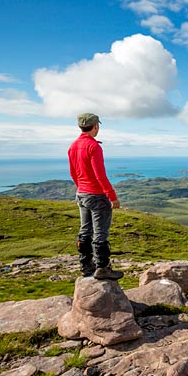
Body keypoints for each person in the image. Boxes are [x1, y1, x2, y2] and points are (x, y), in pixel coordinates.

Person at [68, 112, 123, 280]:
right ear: (96, 126)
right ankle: (102, 268)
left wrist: (82, 189)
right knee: (100, 233)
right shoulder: (94, 147)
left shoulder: (73, 146)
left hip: (82, 194)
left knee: (85, 231)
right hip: (97, 195)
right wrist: (112, 196)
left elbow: (73, 173)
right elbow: (100, 175)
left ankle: (85, 266)